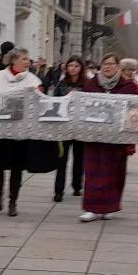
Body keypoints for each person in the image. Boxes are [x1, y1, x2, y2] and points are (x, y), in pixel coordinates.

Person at [79, 54, 138, 222]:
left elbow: (135, 110)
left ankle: (110, 207)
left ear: (118, 67)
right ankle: (91, 208)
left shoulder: (128, 86)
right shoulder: (91, 84)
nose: (108, 67)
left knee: (114, 172)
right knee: (93, 172)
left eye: (111, 64)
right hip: (95, 137)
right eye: (105, 64)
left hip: (116, 139)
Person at [0, 48, 44, 217]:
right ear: (13, 61)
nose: (28, 62)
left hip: (20, 132)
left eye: (28, 59)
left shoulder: (33, 80)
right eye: (24, 59)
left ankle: (12, 202)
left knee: (16, 168)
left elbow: (40, 100)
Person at [52, 56, 87, 201]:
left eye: (76, 66)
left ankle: (77, 186)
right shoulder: (61, 84)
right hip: (64, 127)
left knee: (79, 159)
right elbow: (54, 102)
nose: (72, 68)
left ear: (81, 68)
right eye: (70, 65)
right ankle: (58, 190)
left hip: (80, 127)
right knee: (61, 159)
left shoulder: (87, 84)